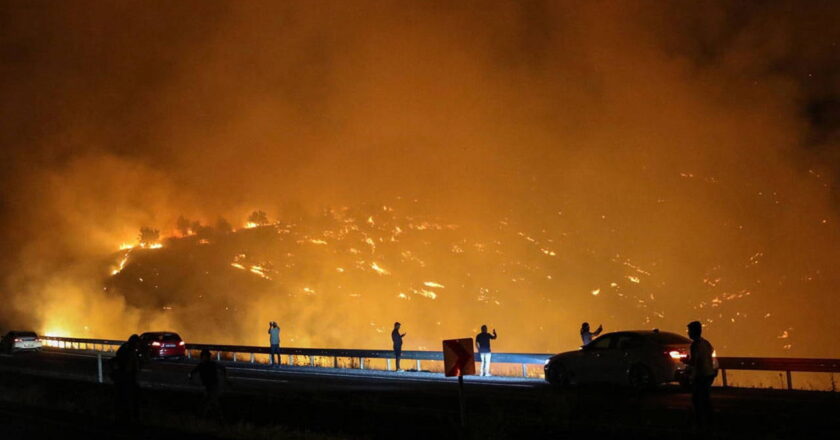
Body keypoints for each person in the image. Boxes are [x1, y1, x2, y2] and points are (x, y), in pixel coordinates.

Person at [685, 320, 716, 432]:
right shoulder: (706, 342)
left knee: (697, 399)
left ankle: (700, 423)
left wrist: (685, 361)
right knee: (705, 398)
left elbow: (694, 362)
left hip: (701, 375)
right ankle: (709, 421)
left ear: (693, 331)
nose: (688, 333)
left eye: (689, 331)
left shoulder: (695, 345)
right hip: (709, 373)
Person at [189, 349, 230, 422]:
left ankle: (204, 418)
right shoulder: (201, 366)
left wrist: (226, 378)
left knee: (208, 402)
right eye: (205, 356)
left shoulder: (211, 364)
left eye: (207, 356)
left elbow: (223, 369)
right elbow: (192, 373)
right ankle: (217, 418)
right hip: (208, 386)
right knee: (211, 402)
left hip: (213, 386)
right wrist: (190, 378)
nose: (206, 358)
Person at [111, 334, 141, 423]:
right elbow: (130, 367)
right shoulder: (129, 352)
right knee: (127, 400)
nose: (138, 346)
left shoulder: (125, 349)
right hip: (126, 379)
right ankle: (127, 419)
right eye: (137, 344)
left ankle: (122, 418)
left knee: (122, 400)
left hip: (124, 379)